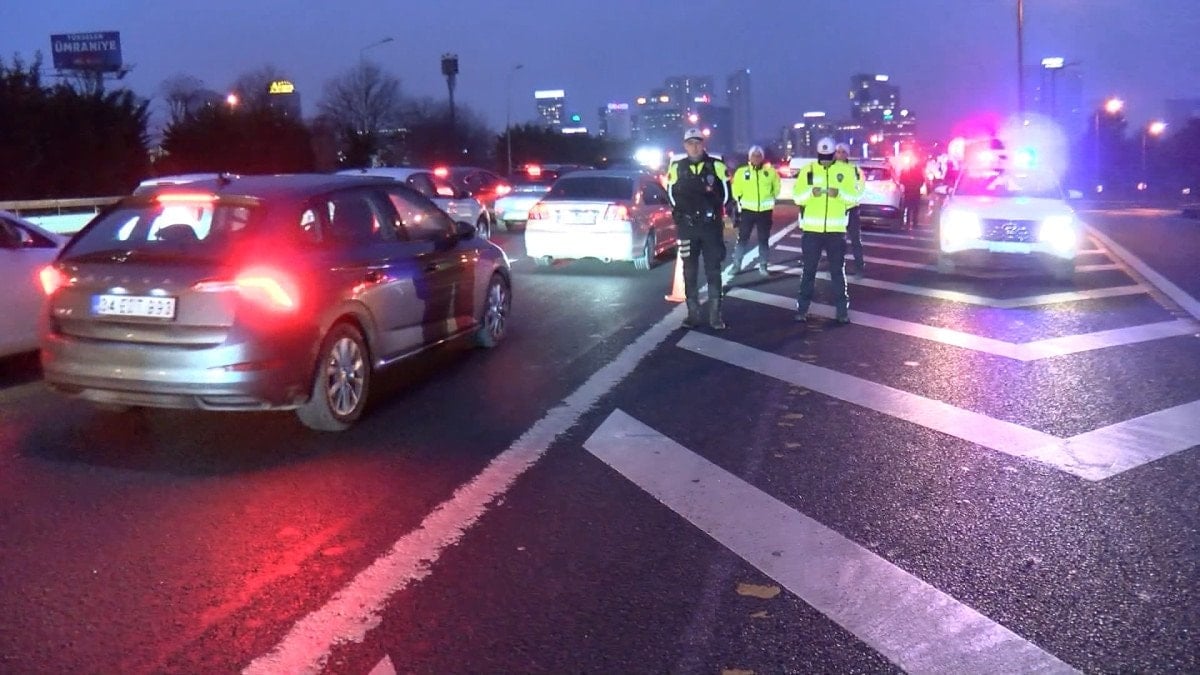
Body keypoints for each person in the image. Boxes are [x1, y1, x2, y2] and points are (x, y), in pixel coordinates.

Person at [666, 127, 732, 330]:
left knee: (713, 270)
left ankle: (715, 316)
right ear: (685, 146)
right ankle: (693, 314)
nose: (694, 147)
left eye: (697, 143)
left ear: (703, 144)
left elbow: (727, 195)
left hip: (710, 227)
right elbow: (670, 195)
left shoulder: (717, 166)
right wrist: (683, 213)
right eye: (690, 143)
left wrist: (712, 210)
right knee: (689, 271)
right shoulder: (677, 167)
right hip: (687, 227)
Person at [792, 137, 859, 324]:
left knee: (837, 272)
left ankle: (842, 311)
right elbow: (797, 197)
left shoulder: (845, 171)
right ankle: (802, 309)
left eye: (828, 157)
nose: (826, 161)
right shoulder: (808, 171)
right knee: (808, 271)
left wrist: (839, 194)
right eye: (823, 157)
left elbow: (854, 198)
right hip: (812, 231)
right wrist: (810, 193)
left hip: (835, 231)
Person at [728, 145, 780, 279]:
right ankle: (736, 265)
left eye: (759, 155)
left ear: (762, 157)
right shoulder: (742, 172)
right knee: (742, 239)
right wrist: (739, 199)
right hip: (748, 211)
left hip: (765, 212)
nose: (756, 158)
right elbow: (736, 188)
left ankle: (763, 265)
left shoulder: (770, 172)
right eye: (754, 155)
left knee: (763, 240)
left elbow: (777, 187)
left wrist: (771, 197)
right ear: (749, 157)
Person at [834, 142, 865, 277]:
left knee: (855, 241)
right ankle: (836, 268)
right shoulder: (829, 169)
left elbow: (860, 191)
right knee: (835, 242)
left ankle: (859, 268)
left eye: (843, 152)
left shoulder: (855, 171)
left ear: (847, 154)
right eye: (838, 152)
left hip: (851, 210)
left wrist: (843, 197)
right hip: (835, 210)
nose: (840, 154)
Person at [900, 159, 926, 230]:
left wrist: (907, 186)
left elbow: (901, 180)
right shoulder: (916, 171)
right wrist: (917, 186)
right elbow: (922, 181)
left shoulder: (906, 170)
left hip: (909, 191)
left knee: (908, 207)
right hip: (913, 191)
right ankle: (913, 223)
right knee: (914, 208)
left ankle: (908, 223)